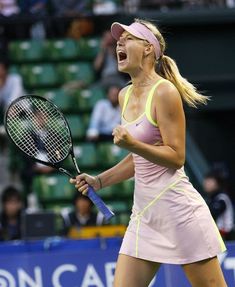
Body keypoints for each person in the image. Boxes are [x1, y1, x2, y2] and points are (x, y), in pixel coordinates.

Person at [70, 19, 227, 287]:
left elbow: (176, 157)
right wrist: (100, 180)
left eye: (128, 38)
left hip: (179, 212)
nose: (119, 42)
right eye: (119, 40)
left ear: (147, 49)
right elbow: (139, 158)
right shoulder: (124, 95)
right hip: (144, 214)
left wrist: (133, 144)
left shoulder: (165, 92)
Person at [203, 171, 234, 240]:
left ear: (216, 183)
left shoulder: (222, 198)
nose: (205, 183)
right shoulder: (211, 197)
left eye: (209, 181)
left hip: (226, 237)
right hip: (217, 237)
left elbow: (211, 214)